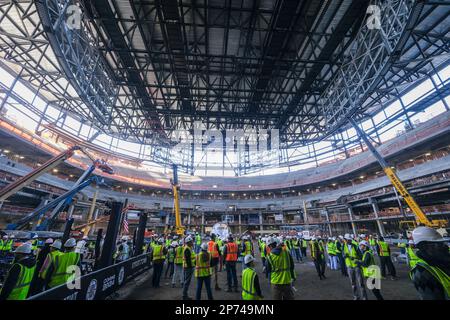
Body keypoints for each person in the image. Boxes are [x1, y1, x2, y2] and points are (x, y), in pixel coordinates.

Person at [410, 226, 450, 300]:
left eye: (441, 243)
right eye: (436, 244)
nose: (443, 247)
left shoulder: (443, 259)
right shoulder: (421, 272)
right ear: (423, 247)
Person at [343, 234, 367, 300]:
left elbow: (360, 256)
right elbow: (343, 254)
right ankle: (356, 296)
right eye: (347, 240)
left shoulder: (355, 246)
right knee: (353, 284)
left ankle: (364, 297)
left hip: (356, 267)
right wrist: (344, 256)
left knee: (361, 283)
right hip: (349, 267)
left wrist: (354, 258)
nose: (348, 241)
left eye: (349, 240)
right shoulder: (343, 246)